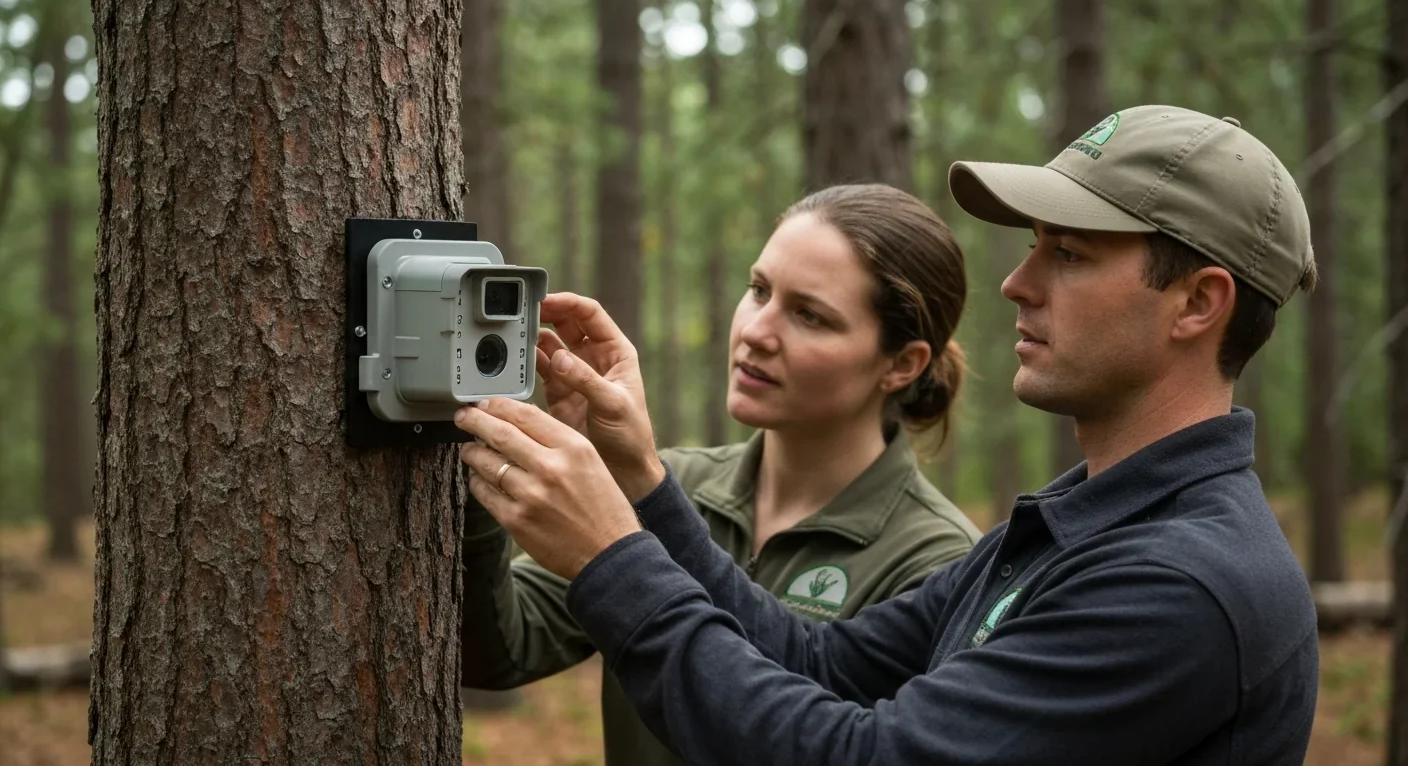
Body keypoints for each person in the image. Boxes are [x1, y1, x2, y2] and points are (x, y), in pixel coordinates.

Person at [455, 104, 1320, 764]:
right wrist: (643, 486)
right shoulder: (1075, 522)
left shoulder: (1178, 585)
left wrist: (615, 556)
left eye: (1070, 254)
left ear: (1199, 303)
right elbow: (818, 660)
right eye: (1033, 247)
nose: (1017, 283)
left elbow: (860, 755)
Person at [459, 184, 983, 765]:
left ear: (901, 364)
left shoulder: (936, 559)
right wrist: (481, 442)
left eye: (810, 315)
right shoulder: (670, 484)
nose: (757, 331)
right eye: (759, 290)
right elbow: (499, 650)